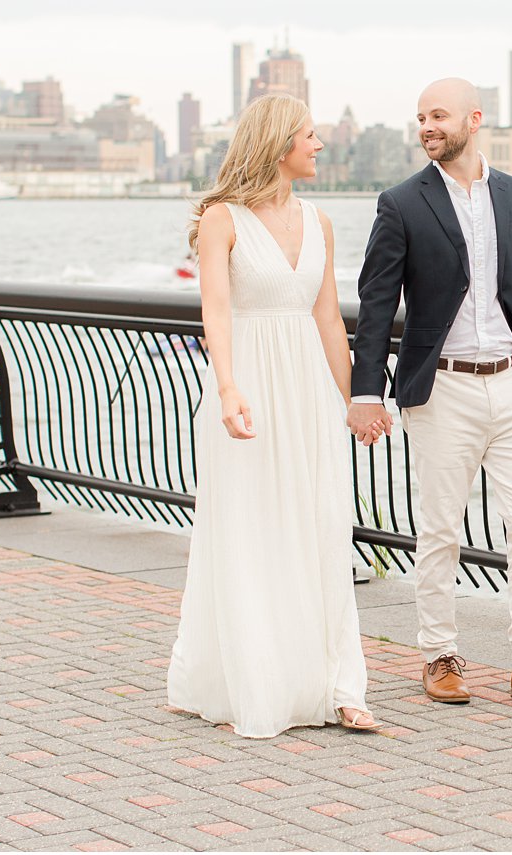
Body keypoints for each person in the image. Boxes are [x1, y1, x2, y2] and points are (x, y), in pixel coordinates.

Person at [347, 77, 512, 707]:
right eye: (420, 117)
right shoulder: (401, 203)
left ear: (473, 119)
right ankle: (439, 654)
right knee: (439, 529)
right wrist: (366, 391)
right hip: (442, 391)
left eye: (438, 115)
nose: (426, 126)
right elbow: (377, 306)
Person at [168, 94, 379, 737]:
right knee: (252, 532)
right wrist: (228, 389)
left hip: (308, 392)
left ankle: (343, 687)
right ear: (279, 142)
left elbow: (326, 319)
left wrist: (355, 401)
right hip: (250, 389)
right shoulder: (220, 220)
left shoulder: (319, 221)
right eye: (310, 135)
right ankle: (259, 683)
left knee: (321, 530)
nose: (320, 145)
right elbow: (217, 314)